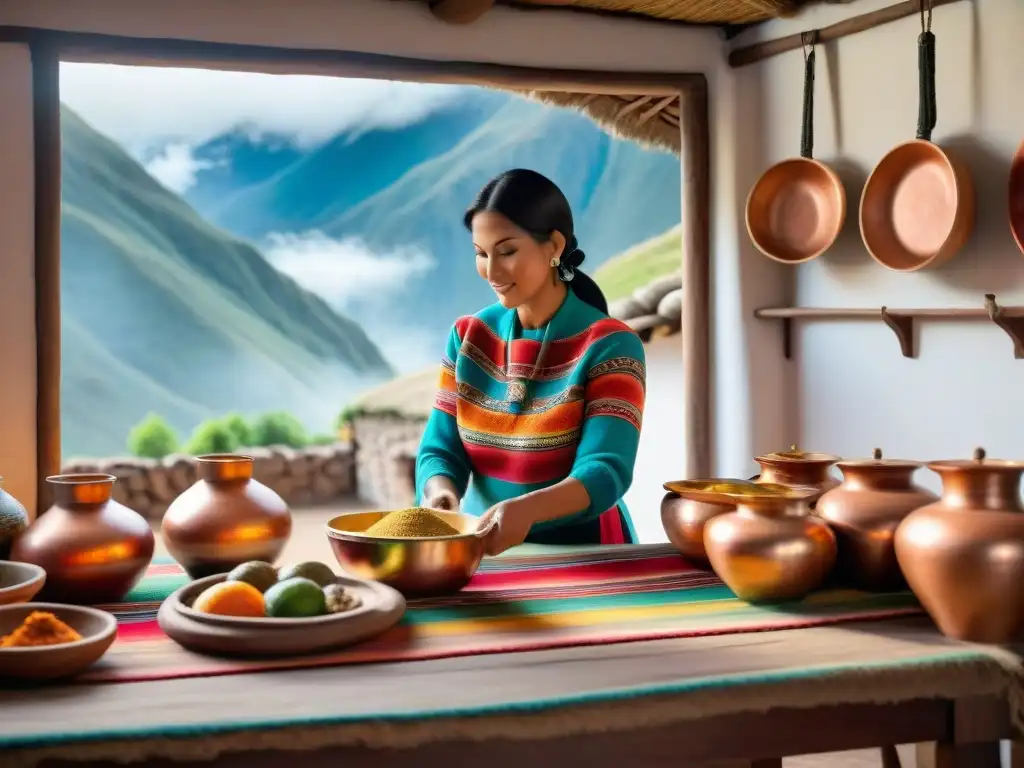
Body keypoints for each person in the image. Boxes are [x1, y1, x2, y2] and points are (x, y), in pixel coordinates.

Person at [416, 169, 647, 555]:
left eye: (507, 251)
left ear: (553, 245)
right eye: (481, 253)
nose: (492, 271)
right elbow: (440, 449)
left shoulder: (611, 345)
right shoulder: (468, 336)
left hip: (586, 554)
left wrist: (527, 511)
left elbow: (605, 471)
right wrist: (440, 494)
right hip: (481, 548)